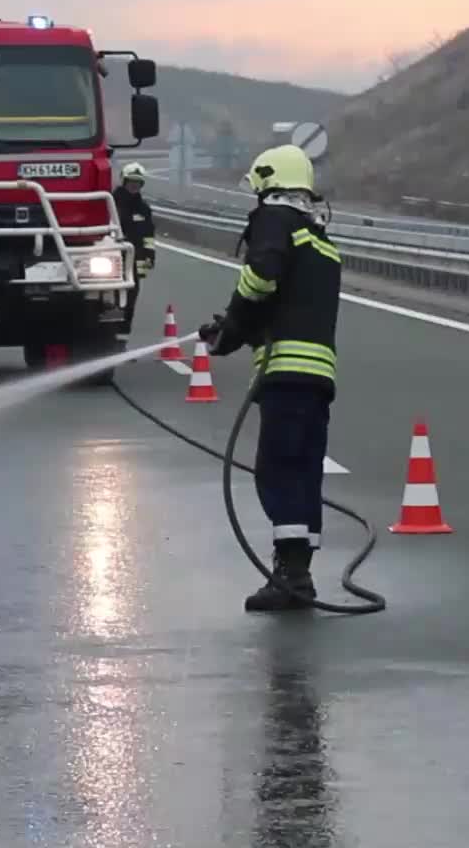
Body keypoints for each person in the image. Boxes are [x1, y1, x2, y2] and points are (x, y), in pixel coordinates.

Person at [198, 145, 341, 612]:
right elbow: (282, 305)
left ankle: (288, 576)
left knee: (276, 472)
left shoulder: (275, 218)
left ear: (269, 183)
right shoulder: (318, 239)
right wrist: (231, 334)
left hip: (284, 371)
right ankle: (300, 576)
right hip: (318, 376)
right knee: (303, 471)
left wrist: (233, 319)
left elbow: (260, 281)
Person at [113, 161, 157, 328]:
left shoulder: (143, 208)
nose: (134, 186)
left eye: (138, 183)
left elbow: (148, 235)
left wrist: (149, 256)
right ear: (124, 181)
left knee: (131, 297)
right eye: (131, 182)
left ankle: (123, 333)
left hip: (136, 261)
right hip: (114, 258)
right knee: (112, 297)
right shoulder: (111, 203)